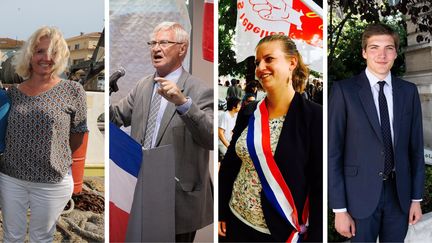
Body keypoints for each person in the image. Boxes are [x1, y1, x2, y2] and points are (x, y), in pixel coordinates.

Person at [110, 22, 213, 242]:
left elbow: (211, 137)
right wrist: (103, 95)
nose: (156, 48)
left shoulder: (200, 90)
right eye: (153, 43)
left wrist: (184, 104)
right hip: (140, 187)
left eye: (164, 42)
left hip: (177, 197)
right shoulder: (142, 86)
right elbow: (115, 117)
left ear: (182, 48)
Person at [219, 34, 323, 242]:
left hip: (277, 233)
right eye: (258, 62)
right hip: (234, 221)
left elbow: (318, 186)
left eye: (269, 59)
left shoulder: (315, 116)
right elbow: (231, 163)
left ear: (292, 62)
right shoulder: (249, 111)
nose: (260, 67)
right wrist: (221, 210)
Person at [329, 23, 424, 242]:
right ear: (364, 52)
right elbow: (333, 152)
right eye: (374, 47)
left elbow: (415, 149)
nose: (382, 54)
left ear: (395, 53)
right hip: (358, 196)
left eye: (389, 48)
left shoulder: (408, 92)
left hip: (399, 195)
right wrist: (339, 209)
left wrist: (416, 199)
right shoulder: (344, 91)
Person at [1, 26, 87, 242]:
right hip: (12, 178)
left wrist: (56, 157)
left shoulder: (73, 91)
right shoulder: (14, 93)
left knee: (42, 237)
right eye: (40, 51)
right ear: (30, 55)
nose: (46, 57)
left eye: (53, 52)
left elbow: (77, 136)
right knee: (12, 236)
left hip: (51, 181)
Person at [218, 97, 241, 161]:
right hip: (223, 145)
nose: (240, 106)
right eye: (239, 104)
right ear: (234, 106)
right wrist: (228, 146)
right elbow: (220, 133)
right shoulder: (225, 116)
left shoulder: (235, 116)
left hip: (230, 144)